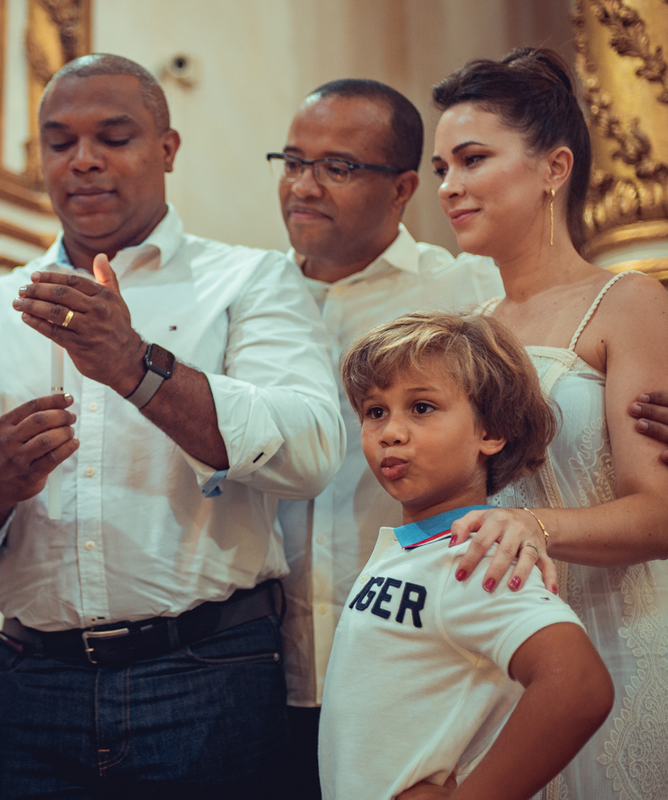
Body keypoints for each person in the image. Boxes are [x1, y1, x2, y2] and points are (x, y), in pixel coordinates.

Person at [0, 53, 343, 798]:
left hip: (209, 672)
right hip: (32, 683)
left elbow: (311, 451)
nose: (84, 161)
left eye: (113, 138)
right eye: (60, 142)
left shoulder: (249, 280)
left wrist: (136, 367)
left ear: (167, 149)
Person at [431, 48, 668, 799]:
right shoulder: (466, 330)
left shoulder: (627, 304)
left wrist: (537, 528)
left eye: (472, 159)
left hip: (623, 635)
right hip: (501, 653)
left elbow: (660, 512)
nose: (449, 186)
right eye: (441, 167)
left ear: (553, 168)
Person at [269, 79, 505, 799]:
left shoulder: (469, 290)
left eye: (336, 167)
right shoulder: (256, 296)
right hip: (260, 670)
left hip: (423, 662)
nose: (303, 186)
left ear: (403, 188)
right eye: (292, 161)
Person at [320, 310, 612, 800]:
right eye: (376, 411)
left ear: (490, 431)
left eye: (422, 408)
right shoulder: (410, 550)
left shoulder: (476, 559)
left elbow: (579, 685)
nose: (391, 431)